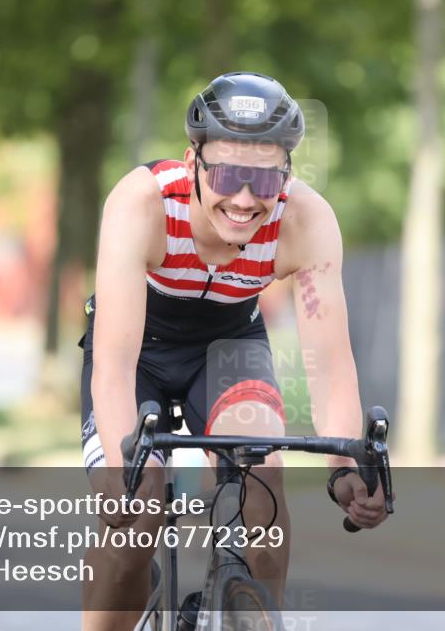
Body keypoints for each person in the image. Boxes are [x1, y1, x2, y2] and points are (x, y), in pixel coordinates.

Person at [79, 71, 389, 629]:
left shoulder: (306, 220)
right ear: (192, 160)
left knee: (262, 474)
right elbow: (115, 362)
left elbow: (331, 366)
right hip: (138, 349)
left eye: (264, 181)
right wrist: (122, 473)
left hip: (227, 345)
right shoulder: (141, 203)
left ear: (287, 176)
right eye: (226, 174)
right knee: (135, 512)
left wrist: (346, 465)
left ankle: (256, 616)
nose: (245, 199)